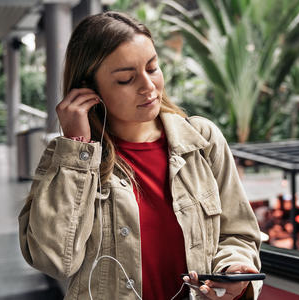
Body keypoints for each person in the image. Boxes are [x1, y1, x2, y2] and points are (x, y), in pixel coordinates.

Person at [18, 11, 262, 300]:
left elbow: (239, 234)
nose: (148, 86)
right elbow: (54, 259)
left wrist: (233, 269)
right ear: (88, 89)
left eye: (153, 67)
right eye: (125, 79)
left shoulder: (202, 141)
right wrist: (77, 147)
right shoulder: (72, 159)